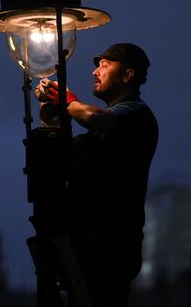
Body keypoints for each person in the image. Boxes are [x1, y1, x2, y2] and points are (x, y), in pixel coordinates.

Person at [35, 43, 158, 307]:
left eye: (104, 65)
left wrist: (67, 101)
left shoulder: (136, 115)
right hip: (85, 243)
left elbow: (92, 116)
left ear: (128, 76)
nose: (95, 72)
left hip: (110, 246)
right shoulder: (103, 126)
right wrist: (52, 114)